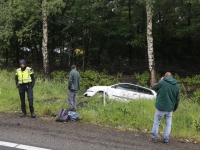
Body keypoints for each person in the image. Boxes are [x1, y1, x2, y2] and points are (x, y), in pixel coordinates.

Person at [150, 72, 180, 143]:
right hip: (170, 109)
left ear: (164, 77)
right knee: (168, 124)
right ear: (171, 77)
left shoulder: (162, 82)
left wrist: (161, 80)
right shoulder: (176, 86)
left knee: (156, 122)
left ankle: (154, 138)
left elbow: (153, 87)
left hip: (160, 107)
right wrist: (175, 108)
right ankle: (166, 139)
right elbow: (177, 99)